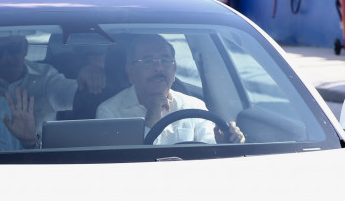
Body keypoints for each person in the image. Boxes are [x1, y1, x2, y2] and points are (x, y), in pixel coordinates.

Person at [96, 34, 244, 144]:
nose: (158, 68)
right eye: (148, 61)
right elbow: (118, 163)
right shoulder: (110, 112)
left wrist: (224, 142)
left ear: (174, 69)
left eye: (165, 60)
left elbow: (210, 150)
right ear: (130, 70)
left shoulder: (195, 106)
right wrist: (151, 119)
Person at [0, 35, 106, 133]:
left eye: (13, 48)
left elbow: (72, 95)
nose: (7, 59)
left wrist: (87, 80)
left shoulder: (46, 77)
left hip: (39, 152)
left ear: (25, 47)